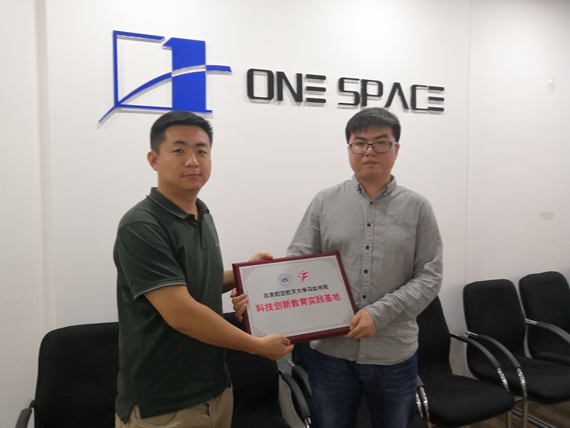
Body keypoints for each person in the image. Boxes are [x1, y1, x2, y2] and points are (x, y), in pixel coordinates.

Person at [234, 107, 442, 428]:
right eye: (360, 143)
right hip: (331, 354)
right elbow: (298, 261)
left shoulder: (417, 208)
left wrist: (379, 314)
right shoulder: (325, 202)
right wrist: (258, 300)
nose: (369, 151)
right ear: (349, 149)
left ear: (396, 149)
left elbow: (429, 276)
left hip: (393, 353)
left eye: (381, 142)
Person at [114, 110, 294, 428]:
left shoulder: (201, 213)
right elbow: (181, 313)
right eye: (179, 150)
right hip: (166, 403)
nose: (192, 161)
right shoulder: (141, 225)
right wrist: (257, 346)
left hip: (216, 389)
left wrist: (245, 274)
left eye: (201, 151)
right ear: (154, 160)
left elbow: (196, 284)